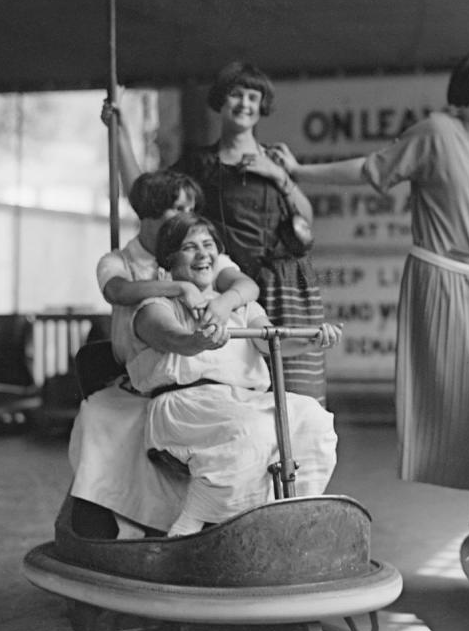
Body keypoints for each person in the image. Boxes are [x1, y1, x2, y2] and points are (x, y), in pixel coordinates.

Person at [271, 51, 469, 496]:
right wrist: (300, 171)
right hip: (444, 282)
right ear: (462, 93)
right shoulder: (436, 132)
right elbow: (373, 169)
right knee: (463, 402)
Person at [110, 61, 327, 404]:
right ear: (220, 102)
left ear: (262, 106)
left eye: (253, 97)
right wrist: (119, 132)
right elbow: (145, 193)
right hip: (230, 283)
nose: (244, 104)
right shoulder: (199, 163)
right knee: (240, 384)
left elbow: (306, 217)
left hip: (284, 287)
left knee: (299, 394)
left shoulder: (276, 158)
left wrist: (278, 175)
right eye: (235, 95)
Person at [67, 170, 260, 537]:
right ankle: (106, 516)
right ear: (150, 212)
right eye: (177, 207)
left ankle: (221, 515)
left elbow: (243, 284)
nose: (185, 213)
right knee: (97, 418)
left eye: (190, 206)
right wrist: (177, 287)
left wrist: (222, 304)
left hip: (197, 370)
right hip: (143, 369)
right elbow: (119, 292)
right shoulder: (118, 260)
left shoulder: (203, 252)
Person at [128, 213, 341, 536]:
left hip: (241, 401)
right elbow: (172, 338)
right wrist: (197, 340)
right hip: (186, 405)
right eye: (189, 247)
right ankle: (190, 525)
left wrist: (313, 339)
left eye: (208, 244)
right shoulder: (155, 306)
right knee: (251, 429)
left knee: (313, 418)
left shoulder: (240, 308)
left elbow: (271, 344)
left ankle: (296, 517)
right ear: (169, 261)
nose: (202, 254)